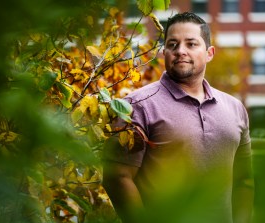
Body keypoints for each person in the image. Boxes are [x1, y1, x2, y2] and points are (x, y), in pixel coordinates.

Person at [103, 12, 254, 223]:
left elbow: (243, 180)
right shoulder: (136, 106)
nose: (180, 51)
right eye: (172, 44)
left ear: (209, 53)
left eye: (191, 44)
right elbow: (117, 177)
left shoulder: (235, 108)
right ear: (164, 51)